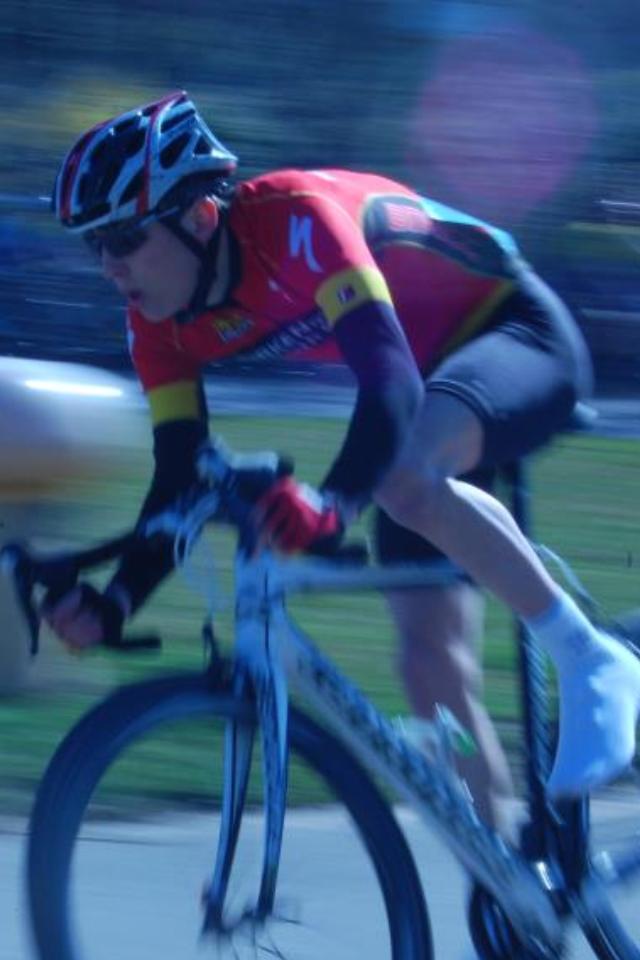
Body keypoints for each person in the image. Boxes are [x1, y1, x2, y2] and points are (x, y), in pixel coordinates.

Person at [44, 90, 640, 834]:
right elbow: (178, 477)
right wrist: (115, 602)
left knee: (402, 479)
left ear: (198, 215)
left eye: (125, 238)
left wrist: (332, 505)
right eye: (94, 245)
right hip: (427, 384)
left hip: (511, 332)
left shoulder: (298, 219)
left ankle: (592, 659)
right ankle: (507, 878)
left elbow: (390, 383)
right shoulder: (156, 324)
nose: (109, 266)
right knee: (429, 667)